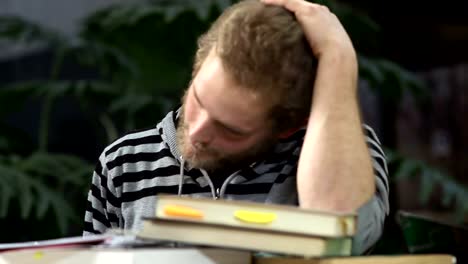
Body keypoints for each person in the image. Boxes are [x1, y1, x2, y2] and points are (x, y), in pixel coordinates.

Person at [83, 0, 389, 255]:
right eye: (199, 100)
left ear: (287, 127)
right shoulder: (123, 162)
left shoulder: (348, 152)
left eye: (231, 130)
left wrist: (337, 57)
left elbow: (343, 232)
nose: (198, 131)